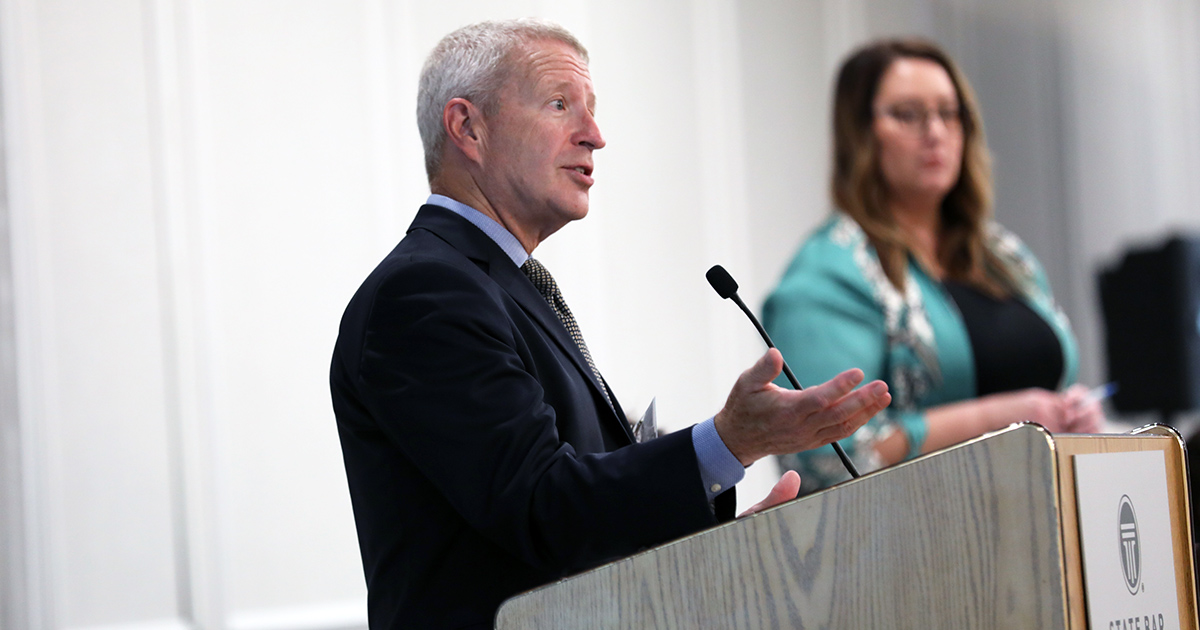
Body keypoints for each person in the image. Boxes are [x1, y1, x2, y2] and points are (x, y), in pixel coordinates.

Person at [329, 19, 891, 629]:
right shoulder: (423, 293)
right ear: (468, 127)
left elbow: (579, 517)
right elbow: (543, 508)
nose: (594, 136)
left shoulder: (497, 282)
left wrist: (718, 557)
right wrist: (730, 440)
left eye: (592, 111)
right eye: (560, 104)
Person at [762, 38, 1105, 495]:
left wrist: (1077, 415)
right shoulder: (829, 275)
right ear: (860, 132)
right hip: (923, 546)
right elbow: (826, 460)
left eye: (949, 113)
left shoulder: (1003, 255)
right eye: (908, 114)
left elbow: (1052, 385)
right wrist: (996, 420)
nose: (936, 132)